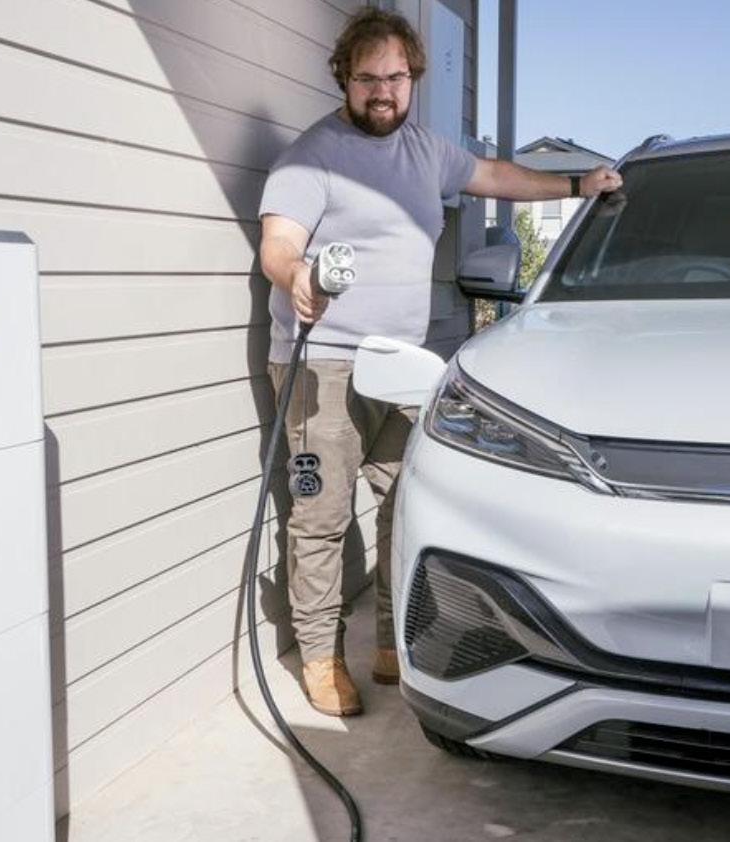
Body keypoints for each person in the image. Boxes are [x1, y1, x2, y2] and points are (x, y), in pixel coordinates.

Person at [257, 7, 622, 717]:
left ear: (413, 79)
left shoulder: (427, 152)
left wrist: (577, 187)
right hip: (322, 365)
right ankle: (321, 656)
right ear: (344, 78)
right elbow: (278, 241)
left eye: (394, 77)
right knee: (321, 516)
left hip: (400, 365)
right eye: (367, 78)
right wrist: (295, 273)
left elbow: (498, 176)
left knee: (404, 504)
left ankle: (391, 643)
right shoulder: (312, 155)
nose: (382, 92)